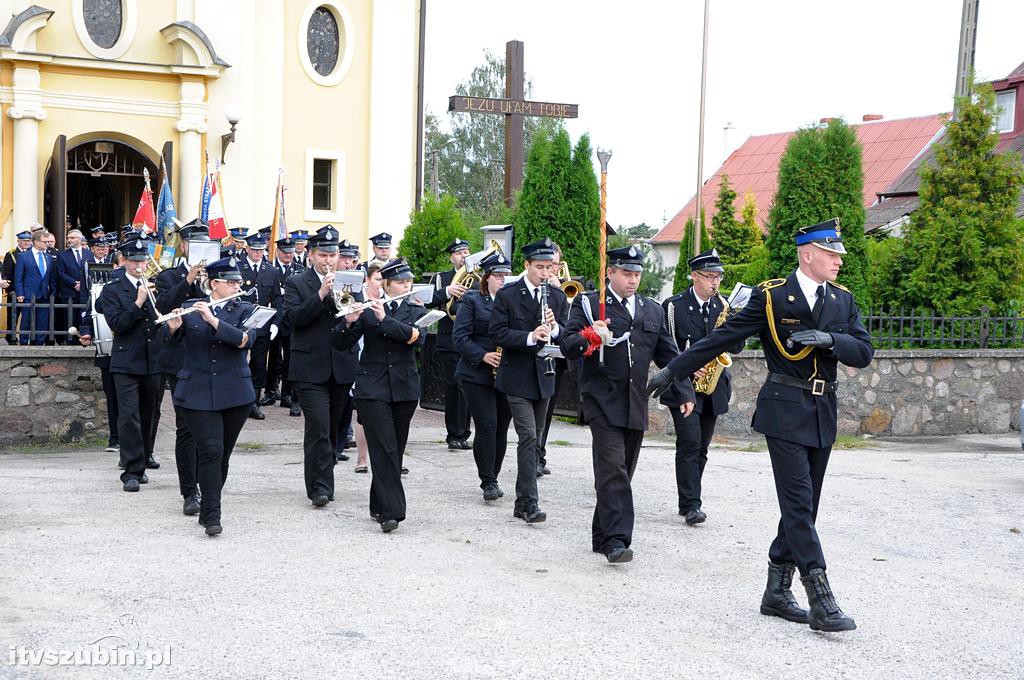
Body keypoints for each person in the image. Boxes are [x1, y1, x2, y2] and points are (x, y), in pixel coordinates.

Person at [647, 218, 873, 632]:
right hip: (784, 409)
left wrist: (829, 340)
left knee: (805, 507)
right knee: (799, 504)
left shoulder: (842, 300)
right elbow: (717, 339)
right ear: (808, 255)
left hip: (824, 411)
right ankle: (820, 596)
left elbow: (864, 351)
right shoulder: (772, 298)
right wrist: (670, 373)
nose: (839, 261)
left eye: (839, 255)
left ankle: (775, 592)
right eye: (831, 254)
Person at [563, 245, 693, 564]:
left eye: (637, 274)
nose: (633, 280)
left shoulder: (652, 310)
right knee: (613, 469)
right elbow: (567, 346)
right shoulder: (591, 303)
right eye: (626, 273)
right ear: (611, 273)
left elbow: (669, 356)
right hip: (600, 398)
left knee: (623, 472)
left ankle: (601, 534)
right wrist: (591, 336)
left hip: (635, 402)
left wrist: (685, 391)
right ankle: (617, 541)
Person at [163, 257, 256, 536]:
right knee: (210, 452)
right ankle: (213, 514)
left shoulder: (246, 308)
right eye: (231, 282)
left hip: (235, 392)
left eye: (238, 281)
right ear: (214, 284)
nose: (237, 285)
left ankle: (208, 507)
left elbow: (244, 340)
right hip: (197, 392)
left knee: (223, 456)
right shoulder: (191, 307)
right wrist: (173, 327)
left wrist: (213, 320)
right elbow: (166, 348)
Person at [332, 258, 426, 533]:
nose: (406, 285)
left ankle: (377, 503)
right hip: (373, 387)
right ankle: (392, 511)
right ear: (385, 283)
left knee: (394, 449)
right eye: (400, 281)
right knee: (383, 447)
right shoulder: (367, 309)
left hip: (404, 387)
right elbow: (340, 344)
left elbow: (418, 339)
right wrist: (348, 323)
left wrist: (386, 320)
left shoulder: (414, 307)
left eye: (408, 280)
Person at [661, 248, 744, 525]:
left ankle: (691, 497)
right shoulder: (674, 307)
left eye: (718, 277)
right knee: (689, 443)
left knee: (702, 448)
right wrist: (686, 365)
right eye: (709, 276)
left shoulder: (723, 307)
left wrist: (736, 325)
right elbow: (668, 348)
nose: (715, 282)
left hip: (713, 385)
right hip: (684, 385)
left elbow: (737, 347)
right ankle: (691, 505)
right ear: (694, 276)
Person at [488, 238, 568, 524]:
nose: (545, 273)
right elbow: (497, 333)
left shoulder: (557, 297)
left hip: (544, 376)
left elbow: (567, 335)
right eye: (539, 267)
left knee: (536, 439)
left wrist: (555, 328)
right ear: (527, 266)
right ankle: (529, 502)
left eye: (549, 268)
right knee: (528, 436)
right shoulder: (509, 294)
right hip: (517, 377)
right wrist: (529, 337)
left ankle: (522, 501)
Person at [283, 226, 359, 507]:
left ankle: (324, 478)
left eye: (334, 254)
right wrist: (319, 295)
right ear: (312, 255)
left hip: (341, 365)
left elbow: (354, 324)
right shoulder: (297, 283)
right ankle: (319, 488)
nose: (329, 259)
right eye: (324, 254)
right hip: (309, 367)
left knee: (337, 428)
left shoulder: (348, 282)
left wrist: (353, 320)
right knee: (319, 427)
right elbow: (293, 318)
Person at [96, 236, 164, 493]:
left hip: (153, 359)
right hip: (126, 361)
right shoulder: (112, 290)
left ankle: (143, 460)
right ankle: (132, 471)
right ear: (123, 261)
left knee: (148, 414)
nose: (139, 265)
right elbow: (119, 325)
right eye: (134, 260)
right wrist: (138, 301)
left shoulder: (154, 286)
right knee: (129, 416)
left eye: (142, 260)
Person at [153, 220, 210, 514]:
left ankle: (210, 483)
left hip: (215, 360)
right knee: (186, 428)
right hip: (183, 361)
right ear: (185, 245)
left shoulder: (220, 274)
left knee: (212, 428)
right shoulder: (169, 276)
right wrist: (188, 280)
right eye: (196, 244)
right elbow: (162, 305)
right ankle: (190, 491)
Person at [453, 252, 513, 502]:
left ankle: (494, 476)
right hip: (476, 373)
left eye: (506, 276)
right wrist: (483, 355)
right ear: (486, 278)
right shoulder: (472, 301)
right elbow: (460, 338)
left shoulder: (514, 303)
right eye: (497, 276)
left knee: (501, 428)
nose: (502, 280)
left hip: (507, 374)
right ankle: (487, 480)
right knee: (487, 425)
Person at [427, 239, 473, 450]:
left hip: (472, 340)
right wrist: (447, 291)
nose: (463, 255)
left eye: (466, 252)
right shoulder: (442, 278)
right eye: (458, 253)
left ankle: (465, 432)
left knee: (469, 386)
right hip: (450, 339)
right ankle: (453, 434)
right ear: (451, 257)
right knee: (455, 386)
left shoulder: (477, 277)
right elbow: (428, 300)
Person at [237, 231, 280, 419]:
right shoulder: (238, 267)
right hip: (241, 323)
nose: (258, 253)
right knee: (238, 362)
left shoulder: (271, 271)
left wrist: (275, 323)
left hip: (263, 324)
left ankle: (254, 402)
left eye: (261, 250)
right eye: (254, 250)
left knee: (259, 364)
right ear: (247, 248)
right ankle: (238, 399)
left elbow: (277, 299)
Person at [536, 243, 568, 476]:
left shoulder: (561, 292)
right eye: (547, 265)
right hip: (529, 358)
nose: (551, 270)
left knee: (547, 410)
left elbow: (570, 326)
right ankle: (532, 453)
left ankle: (540, 453)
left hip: (554, 359)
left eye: (555, 265)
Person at [267, 236, 305, 416]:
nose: (289, 255)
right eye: (285, 252)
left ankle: (287, 394)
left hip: (290, 321)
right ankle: (270, 390)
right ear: (278, 252)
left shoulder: (299, 270)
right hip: (274, 318)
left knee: (291, 358)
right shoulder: (271, 270)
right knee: (273, 357)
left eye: (291, 252)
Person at [14, 230, 57, 345]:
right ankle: (23, 344)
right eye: (45, 241)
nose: (47, 244)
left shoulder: (48, 257)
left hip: (44, 294)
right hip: (28, 294)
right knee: (26, 321)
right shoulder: (23, 256)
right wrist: (20, 293)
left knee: (42, 322)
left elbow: (51, 277)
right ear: (36, 242)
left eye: (48, 241)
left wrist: (53, 293)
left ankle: (40, 344)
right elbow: (18, 277)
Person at [55, 228, 94, 343]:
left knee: (83, 316)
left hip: (85, 292)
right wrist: (74, 284)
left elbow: (90, 271)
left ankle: (83, 339)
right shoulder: (62, 254)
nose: (69, 240)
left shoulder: (88, 253)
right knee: (69, 317)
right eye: (68, 238)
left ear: (80, 239)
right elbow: (61, 273)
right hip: (69, 291)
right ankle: (70, 340)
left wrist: (83, 284)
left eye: (72, 238)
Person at [3, 230, 33, 344]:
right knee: (13, 316)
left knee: (28, 316)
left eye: (29, 240)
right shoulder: (11, 254)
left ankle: (28, 337)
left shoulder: (32, 253)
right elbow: (7, 273)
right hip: (15, 290)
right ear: (18, 241)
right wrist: (10, 290)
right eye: (24, 241)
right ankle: (11, 337)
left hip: (29, 290)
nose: (27, 243)